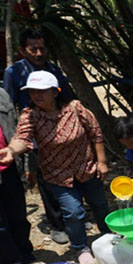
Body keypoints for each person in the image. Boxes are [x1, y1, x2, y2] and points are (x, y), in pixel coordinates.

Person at [0, 71, 109, 264]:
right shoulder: (30, 115)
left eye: (41, 91)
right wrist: (11, 150)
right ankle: (80, 247)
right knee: (73, 212)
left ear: (55, 91)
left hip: (87, 168)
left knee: (100, 204)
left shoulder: (75, 108)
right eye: (32, 91)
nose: (36, 95)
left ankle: (108, 236)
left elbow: (95, 133)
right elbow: (22, 138)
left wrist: (101, 161)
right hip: (58, 175)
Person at [4, 28, 77, 244]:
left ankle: (73, 217)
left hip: (62, 130)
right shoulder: (14, 72)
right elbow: (8, 105)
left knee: (67, 173)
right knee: (46, 178)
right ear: (22, 50)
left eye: (42, 48)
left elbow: (68, 96)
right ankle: (57, 224)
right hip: (35, 133)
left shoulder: (53, 69)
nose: (38, 53)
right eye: (33, 49)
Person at [0, 86, 33, 264]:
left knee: (18, 216)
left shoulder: (2, 94)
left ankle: (27, 256)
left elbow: (16, 131)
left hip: (9, 167)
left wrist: (26, 163)